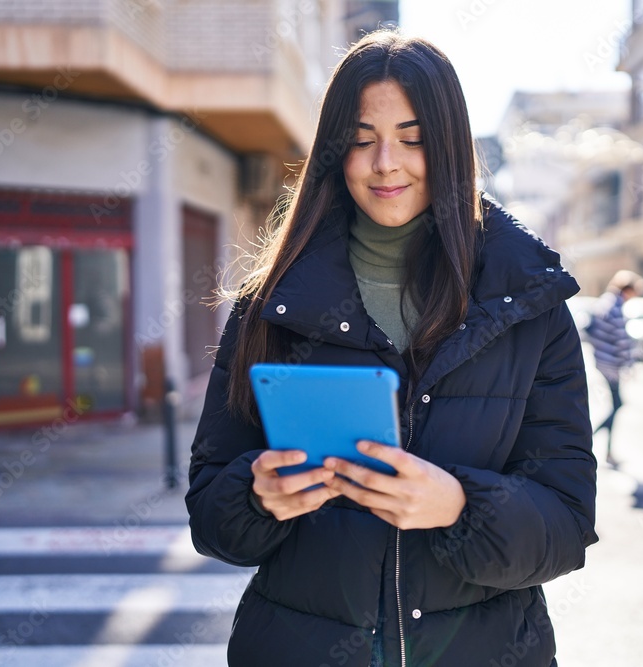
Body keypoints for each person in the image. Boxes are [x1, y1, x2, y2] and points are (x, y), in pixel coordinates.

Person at [185, 30, 597, 667]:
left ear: (451, 147)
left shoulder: (527, 304)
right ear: (333, 152)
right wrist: (256, 496)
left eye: (413, 139)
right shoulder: (271, 303)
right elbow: (211, 519)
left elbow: (567, 525)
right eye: (360, 140)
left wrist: (460, 507)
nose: (386, 164)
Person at [586, 270, 643, 467]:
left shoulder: (604, 302)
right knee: (618, 404)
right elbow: (622, 342)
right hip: (611, 364)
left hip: (602, 361)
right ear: (627, 290)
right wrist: (628, 365)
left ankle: (605, 449)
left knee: (616, 404)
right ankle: (590, 441)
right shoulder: (616, 307)